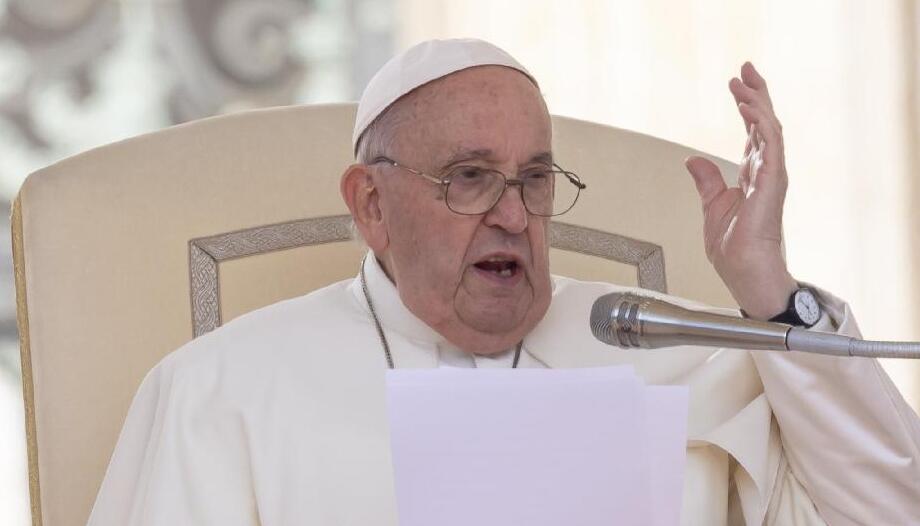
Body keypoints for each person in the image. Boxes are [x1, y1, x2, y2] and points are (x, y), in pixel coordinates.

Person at [87, 38, 920, 525]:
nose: (515, 217)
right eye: (470, 178)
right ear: (370, 204)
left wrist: (767, 288)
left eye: (533, 179)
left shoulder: (674, 349)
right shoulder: (219, 393)